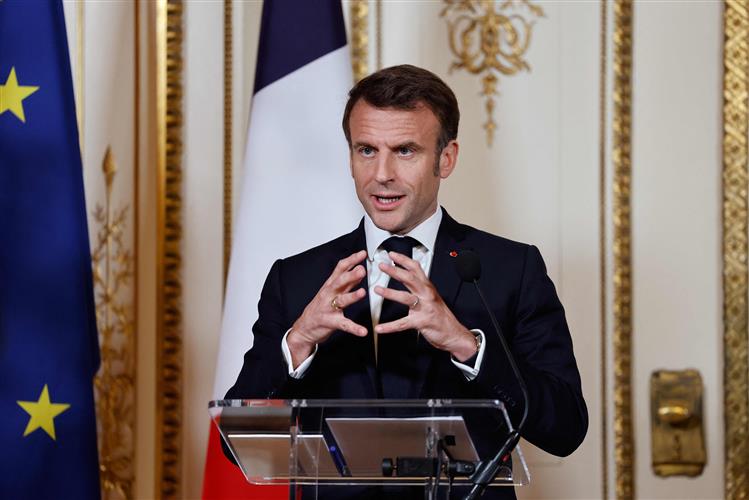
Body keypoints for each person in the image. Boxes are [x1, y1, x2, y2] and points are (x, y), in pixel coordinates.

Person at [225, 64, 588, 499]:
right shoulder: (298, 278)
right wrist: (298, 341)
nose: (382, 173)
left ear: (445, 159)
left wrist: (467, 346)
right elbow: (236, 442)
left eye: (404, 151)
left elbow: (566, 429)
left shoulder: (510, 269)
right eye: (366, 150)